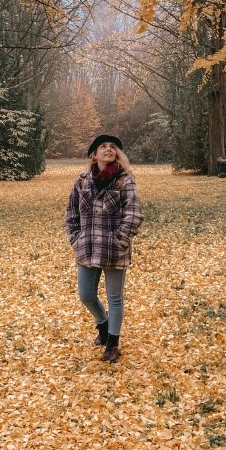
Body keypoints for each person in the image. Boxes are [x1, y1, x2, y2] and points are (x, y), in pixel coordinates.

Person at [64, 134, 143, 363]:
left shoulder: (124, 180)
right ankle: (103, 324)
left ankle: (112, 343)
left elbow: (134, 213)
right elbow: (71, 214)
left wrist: (120, 240)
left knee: (115, 298)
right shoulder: (81, 181)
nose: (108, 149)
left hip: (114, 249)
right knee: (86, 295)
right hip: (87, 248)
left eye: (112, 147)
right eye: (103, 146)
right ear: (94, 154)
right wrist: (76, 238)